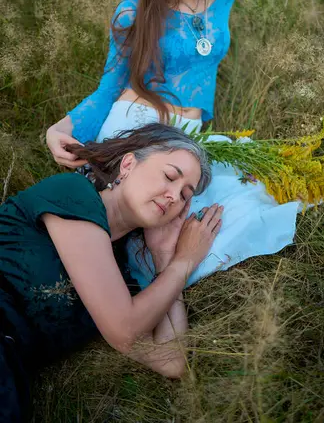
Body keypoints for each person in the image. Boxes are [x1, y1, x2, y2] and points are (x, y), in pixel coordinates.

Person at [46, 0, 299, 290]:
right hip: (140, 131)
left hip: (190, 137)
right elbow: (107, 90)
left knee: (261, 190)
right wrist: (60, 130)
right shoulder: (134, 12)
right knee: (189, 225)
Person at [0, 123, 223, 422]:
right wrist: (185, 262)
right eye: (169, 176)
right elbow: (124, 329)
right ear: (129, 164)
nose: (173, 196)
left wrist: (165, 259)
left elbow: (171, 360)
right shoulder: (72, 193)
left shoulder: (120, 276)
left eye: (185, 195)